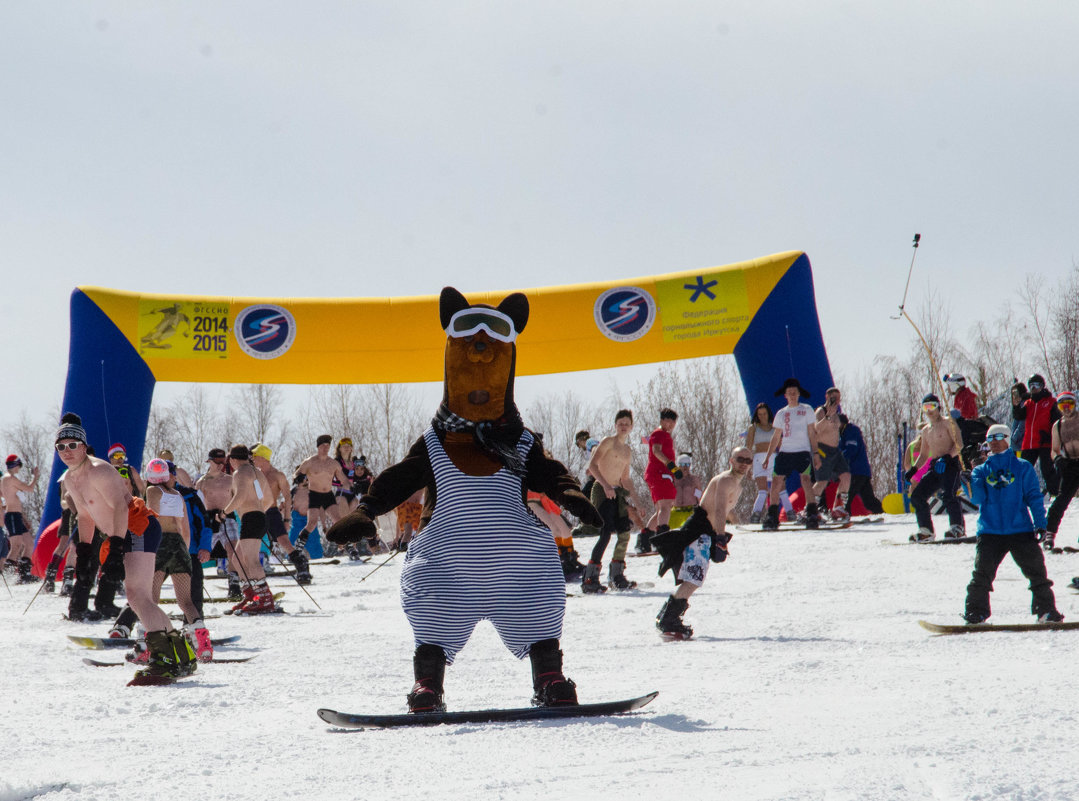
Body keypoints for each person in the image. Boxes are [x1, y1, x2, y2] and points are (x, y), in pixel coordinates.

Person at [55, 413, 195, 682]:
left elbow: (121, 505)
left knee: (137, 595)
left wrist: (118, 544)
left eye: (73, 445)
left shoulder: (100, 470)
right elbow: (85, 516)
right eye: (61, 447)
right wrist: (85, 553)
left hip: (137, 525)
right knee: (137, 596)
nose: (67, 451)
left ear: (84, 447)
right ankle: (181, 654)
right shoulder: (71, 480)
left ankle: (164, 659)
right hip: (123, 532)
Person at [962, 424, 1063, 624]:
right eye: (990, 438)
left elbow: (1034, 497)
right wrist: (970, 478)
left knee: (1037, 573)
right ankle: (976, 612)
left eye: (999, 437)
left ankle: (1046, 611)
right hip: (990, 531)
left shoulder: (1022, 466)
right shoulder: (981, 471)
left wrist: (1041, 524)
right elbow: (978, 499)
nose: (994, 442)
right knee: (982, 575)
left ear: (1008, 438)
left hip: (1020, 529)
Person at [651, 447, 751, 639]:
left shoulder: (737, 485)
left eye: (748, 460)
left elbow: (727, 511)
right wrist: (721, 539)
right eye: (740, 459)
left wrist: (737, 524)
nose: (744, 463)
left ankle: (667, 615)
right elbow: (720, 509)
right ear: (731, 460)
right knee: (694, 577)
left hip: (707, 533)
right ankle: (669, 620)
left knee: (695, 578)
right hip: (699, 529)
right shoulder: (725, 480)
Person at [583, 409, 647, 592]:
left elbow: (625, 479)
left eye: (627, 424)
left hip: (617, 492)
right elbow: (592, 466)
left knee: (624, 531)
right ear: (615, 425)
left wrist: (638, 501)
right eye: (621, 424)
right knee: (605, 532)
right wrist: (605, 485)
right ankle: (590, 578)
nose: (624, 427)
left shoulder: (627, 451)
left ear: (632, 426)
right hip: (602, 489)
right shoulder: (608, 442)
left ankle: (616, 576)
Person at [223, 444, 277, 614]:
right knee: (237, 558)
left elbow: (240, 496)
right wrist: (258, 510)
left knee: (251, 559)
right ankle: (251, 594)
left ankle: (265, 598)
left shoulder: (240, 472)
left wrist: (224, 512)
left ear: (232, 459)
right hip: (258, 516)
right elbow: (268, 499)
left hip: (251, 518)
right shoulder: (257, 472)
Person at [762, 378, 821, 530]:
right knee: (776, 483)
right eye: (789, 393)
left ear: (799, 394)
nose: (792, 395)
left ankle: (812, 514)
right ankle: (772, 516)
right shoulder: (781, 413)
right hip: (785, 452)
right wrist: (768, 456)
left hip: (802, 451)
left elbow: (812, 432)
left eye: (795, 392)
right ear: (785, 395)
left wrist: (815, 453)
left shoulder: (806, 409)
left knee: (806, 480)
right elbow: (776, 437)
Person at [907, 394, 966, 542]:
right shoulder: (926, 430)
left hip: (950, 464)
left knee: (949, 495)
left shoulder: (948, 422)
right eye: (925, 407)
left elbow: (959, 444)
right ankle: (926, 530)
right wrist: (913, 470)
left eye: (932, 406)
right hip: (936, 466)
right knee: (917, 495)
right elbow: (924, 454)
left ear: (938, 407)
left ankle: (957, 527)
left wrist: (947, 457)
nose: (929, 411)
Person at [251, 443, 310, 583]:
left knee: (284, 542)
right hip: (257, 512)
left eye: (255, 456)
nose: (252, 459)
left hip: (272, 511)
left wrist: (287, 519)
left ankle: (302, 566)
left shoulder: (277, 475)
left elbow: (288, 497)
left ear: (263, 458)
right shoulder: (255, 475)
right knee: (251, 542)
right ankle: (252, 569)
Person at [295, 435, 354, 557]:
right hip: (314, 495)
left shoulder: (333, 463)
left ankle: (350, 548)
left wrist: (352, 487)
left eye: (328, 445)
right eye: (323, 445)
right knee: (311, 523)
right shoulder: (310, 462)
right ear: (318, 447)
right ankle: (297, 549)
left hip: (328, 494)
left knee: (338, 521)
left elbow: (343, 479)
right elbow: (296, 474)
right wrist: (299, 477)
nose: (325, 448)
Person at [196, 448, 243, 598]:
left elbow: (239, 499)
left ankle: (234, 583)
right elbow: (197, 505)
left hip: (227, 517)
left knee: (233, 549)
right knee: (200, 551)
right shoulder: (202, 482)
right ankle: (195, 583)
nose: (219, 465)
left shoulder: (230, 479)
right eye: (216, 462)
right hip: (209, 519)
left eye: (222, 462)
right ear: (209, 461)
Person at [636, 408, 680, 553]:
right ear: (661, 421)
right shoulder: (658, 433)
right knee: (665, 505)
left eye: (673, 421)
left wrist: (672, 471)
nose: (670, 424)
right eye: (667, 420)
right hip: (658, 473)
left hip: (664, 474)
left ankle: (645, 539)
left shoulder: (666, 435)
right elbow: (656, 451)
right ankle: (661, 539)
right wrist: (671, 466)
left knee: (662, 508)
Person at [745, 403, 796, 524]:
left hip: (773, 458)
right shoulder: (753, 428)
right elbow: (748, 447)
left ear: (769, 414)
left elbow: (780, 445)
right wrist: (748, 467)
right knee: (762, 489)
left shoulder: (775, 427)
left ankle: (790, 513)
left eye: (764, 414)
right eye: (760, 414)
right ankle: (756, 514)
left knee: (780, 488)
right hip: (758, 459)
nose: (762, 416)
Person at [1012, 373, 1061, 496]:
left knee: (1047, 469)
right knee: (1023, 468)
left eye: (1037, 385)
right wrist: (1016, 405)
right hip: (1029, 442)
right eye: (1031, 385)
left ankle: (1055, 493)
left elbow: (1057, 422)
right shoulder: (1029, 403)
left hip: (1045, 441)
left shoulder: (1050, 402)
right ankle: (1021, 493)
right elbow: (1018, 416)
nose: (1034, 388)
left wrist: (1050, 436)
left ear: (1042, 386)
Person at [812, 387, 853, 521]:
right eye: (833, 398)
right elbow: (816, 429)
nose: (836, 400)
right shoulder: (821, 411)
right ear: (827, 397)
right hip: (823, 450)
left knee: (846, 476)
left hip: (835, 451)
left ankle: (839, 507)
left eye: (838, 398)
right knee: (822, 481)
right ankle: (811, 508)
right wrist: (828, 416)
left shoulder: (837, 414)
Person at [1045, 392, 1079, 549]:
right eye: (1062, 405)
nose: (1066, 408)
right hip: (1070, 465)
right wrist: (1058, 459)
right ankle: (1049, 535)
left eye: (1069, 404)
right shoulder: (1057, 425)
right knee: (1060, 501)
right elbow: (1054, 449)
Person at [2, 454, 40, 582]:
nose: (20, 468)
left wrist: (23, 518)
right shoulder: (9, 479)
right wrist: (35, 477)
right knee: (16, 545)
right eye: (19, 465)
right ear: (15, 464)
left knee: (29, 543)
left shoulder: (8, 479)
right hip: (12, 515)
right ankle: (7, 575)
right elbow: (29, 488)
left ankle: (24, 574)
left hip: (16, 516)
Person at [838, 415, 884, 516]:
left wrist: (838, 458)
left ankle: (844, 514)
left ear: (841, 423)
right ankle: (881, 512)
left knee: (847, 494)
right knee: (868, 499)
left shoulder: (851, 431)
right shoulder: (843, 433)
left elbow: (851, 449)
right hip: (862, 470)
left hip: (856, 470)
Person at [669, 452, 703, 530]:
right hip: (675, 511)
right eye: (683, 464)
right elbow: (668, 495)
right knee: (670, 533)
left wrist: (700, 510)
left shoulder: (694, 479)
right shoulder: (673, 479)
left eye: (687, 465)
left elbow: (699, 496)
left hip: (690, 511)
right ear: (678, 465)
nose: (685, 467)